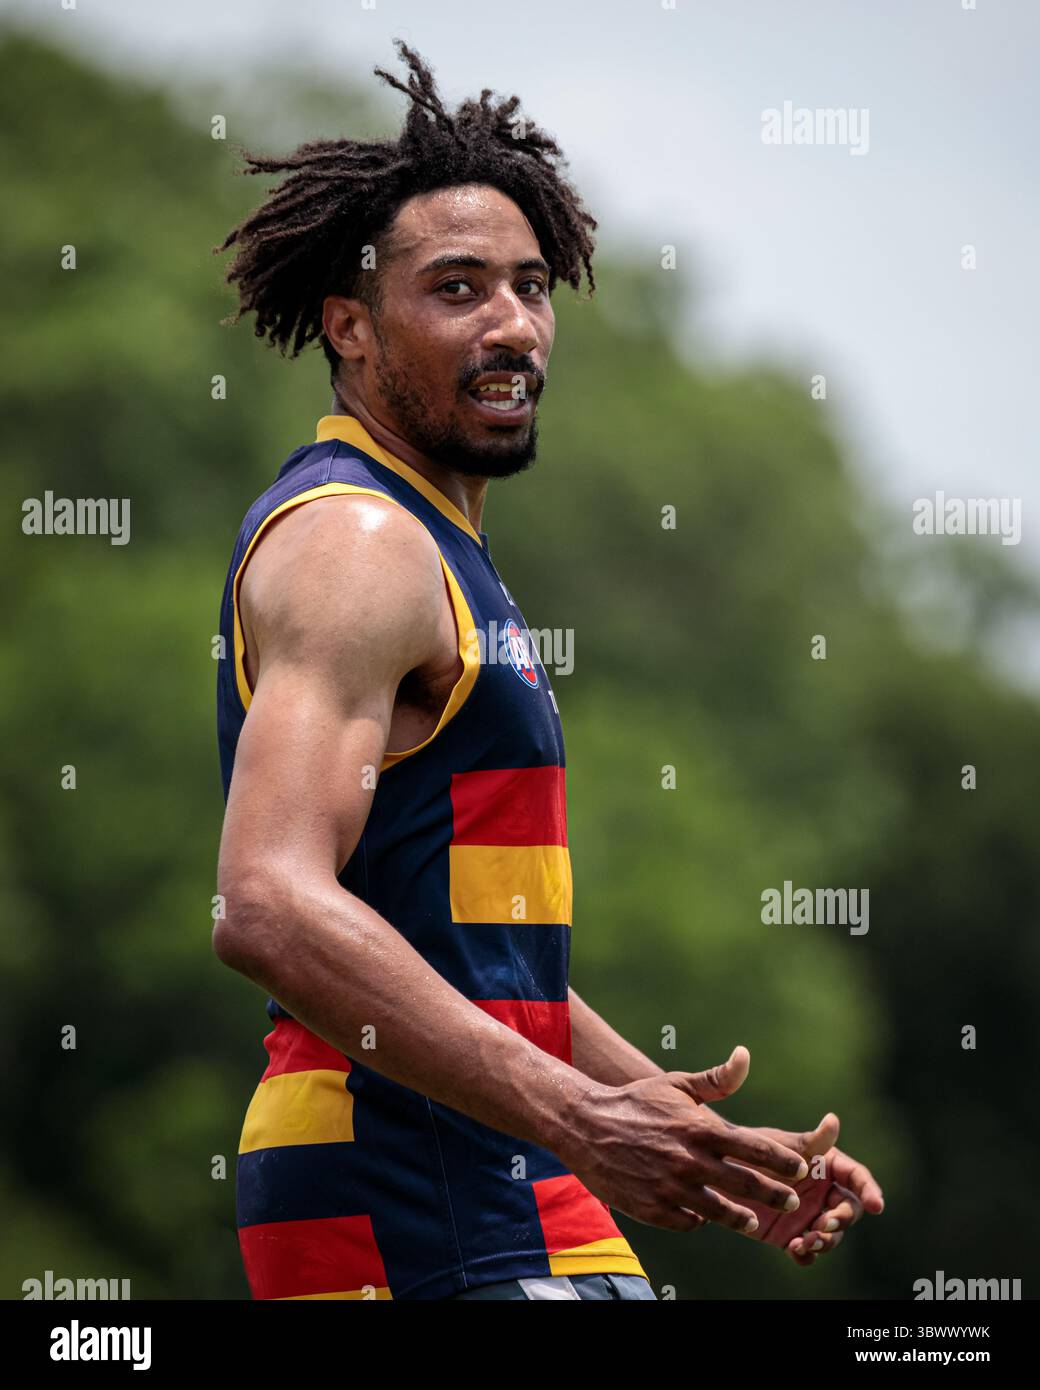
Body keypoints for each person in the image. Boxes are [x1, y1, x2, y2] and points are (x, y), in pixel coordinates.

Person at [212, 41, 883, 1302]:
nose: (511, 324)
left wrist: (676, 1131)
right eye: (456, 289)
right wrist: (578, 1117)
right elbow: (265, 901)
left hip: (510, 1161)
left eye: (528, 286)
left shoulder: (442, 552)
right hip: (389, 1173)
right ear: (350, 325)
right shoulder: (357, 544)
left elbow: (467, 951)